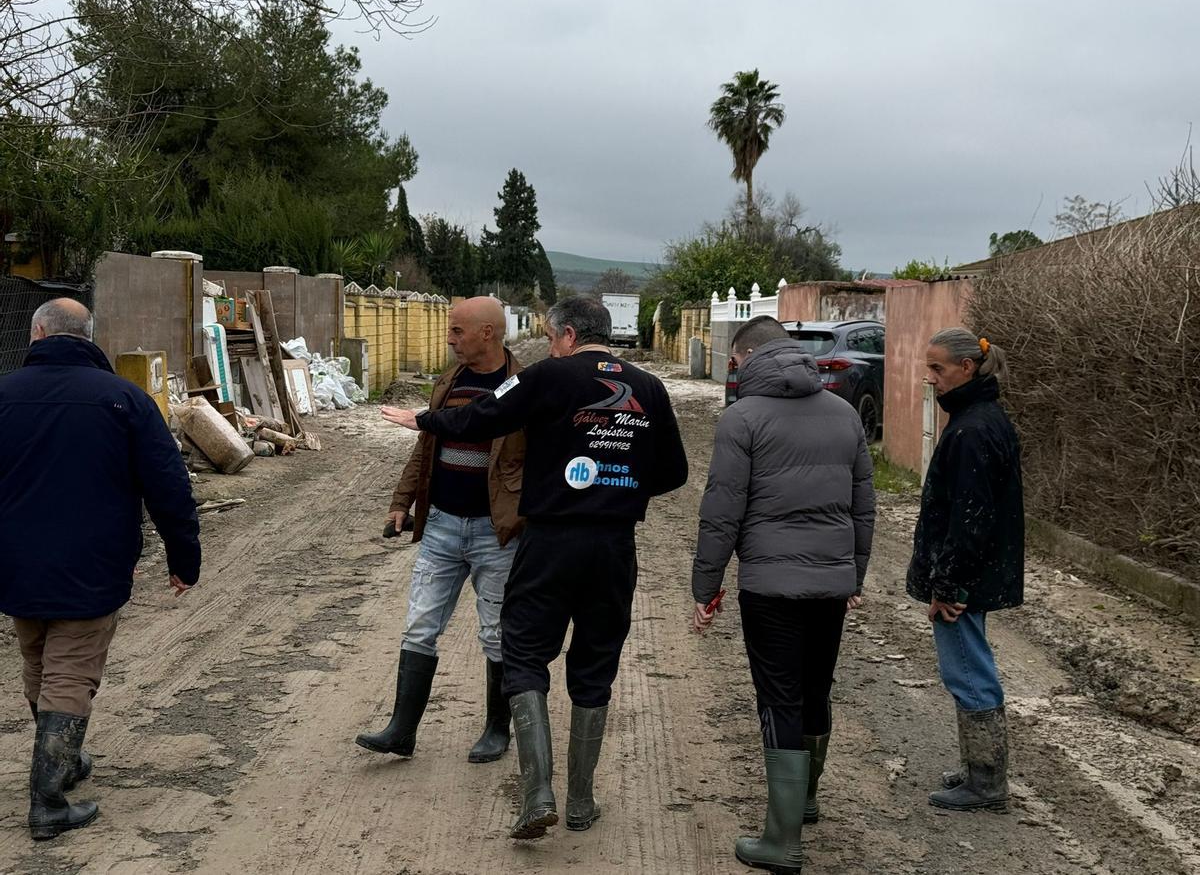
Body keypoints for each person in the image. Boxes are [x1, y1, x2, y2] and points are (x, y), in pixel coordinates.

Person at [381, 296, 688, 840]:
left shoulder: (547, 376)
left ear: (568, 335)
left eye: (550, 338)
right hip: (614, 546)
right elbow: (674, 472)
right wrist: (617, 486)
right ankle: (581, 802)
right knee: (595, 664)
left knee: (523, 653)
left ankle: (537, 794)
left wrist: (424, 419)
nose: (549, 347)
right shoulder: (649, 387)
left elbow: (483, 416)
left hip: (550, 539)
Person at [0, 299, 201, 840]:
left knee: (39, 658)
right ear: (89, 336)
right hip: (92, 564)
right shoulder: (124, 399)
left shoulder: (4, 394)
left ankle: (63, 759)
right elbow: (169, 486)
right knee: (70, 672)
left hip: (14, 563)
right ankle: (48, 801)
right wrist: (184, 559)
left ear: (38, 333)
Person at [692, 316, 875, 875]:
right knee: (816, 687)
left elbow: (722, 510)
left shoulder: (741, 418)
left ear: (746, 357)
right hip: (830, 584)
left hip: (770, 588)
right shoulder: (844, 414)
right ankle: (806, 800)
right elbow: (863, 506)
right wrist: (854, 575)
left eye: (733, 362)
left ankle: (782, 839)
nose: (732, 369)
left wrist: (706, 585)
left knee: (779, 698)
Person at [356, 296, 525, 765]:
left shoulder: (521, 387)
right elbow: (425, 448)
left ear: (486, 333)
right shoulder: (449, 381)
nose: (449, 339)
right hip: (442, 527)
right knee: (420, 626)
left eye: (456, 331)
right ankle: (401, 731)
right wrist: (401, 502)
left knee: (497, 634)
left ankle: (497, 729)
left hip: (497, 533)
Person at [907, 327, 1023, 812]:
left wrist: (947, 585)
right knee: (970, 666)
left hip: (965, 580)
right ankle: (978, 769)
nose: (930, 378)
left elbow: (970, 517)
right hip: (975, 572)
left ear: (967, 367)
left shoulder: (972, 429)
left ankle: (986, 782)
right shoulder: (981, 418)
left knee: (967, 671)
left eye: (937, 368)